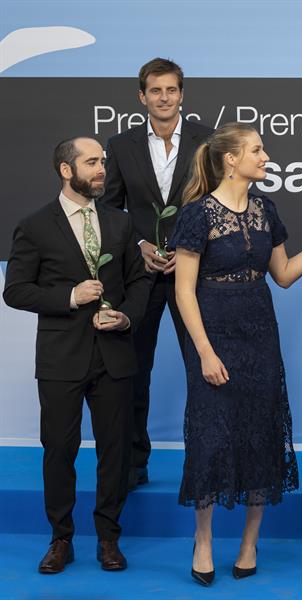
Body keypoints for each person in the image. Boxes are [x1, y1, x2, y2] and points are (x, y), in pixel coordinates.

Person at [170, 123, 302, 586]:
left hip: (260, 333)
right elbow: (184, 292)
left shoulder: (265, 209)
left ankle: (251, 543)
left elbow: (285, 274)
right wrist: (204, 352)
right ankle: (203, 541)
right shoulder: (197, 215)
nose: (266, 155)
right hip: (214, 333)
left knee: (261, 432)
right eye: (257, 149)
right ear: (231, 159)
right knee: (211, 437)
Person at [4, 137, 150, 574]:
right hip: (60, 359)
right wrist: (68, 296)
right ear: (67, 170)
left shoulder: (121, 224)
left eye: (102, 161)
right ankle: (60, 538)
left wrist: (125, 318)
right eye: (92, 162)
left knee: (115, 451)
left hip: (115, 357)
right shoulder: (34, 226)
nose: (102, 169)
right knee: (59, 449)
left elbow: (141, 283)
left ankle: (108, 538)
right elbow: (15, 291)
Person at [100, 58, 213, 491]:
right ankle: (132, 462)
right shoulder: (121, 144)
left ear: (182, 94)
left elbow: (219, 200)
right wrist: (139, 246)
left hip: (194, 276)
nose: (163, 98)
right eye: (155, 90)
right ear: (141, 96)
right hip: (140, 275)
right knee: (133, 371)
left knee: (202, 368)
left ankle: (203, 460)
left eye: (171, 90)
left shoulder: (208, 141)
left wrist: (189, 249)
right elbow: (108, 209)